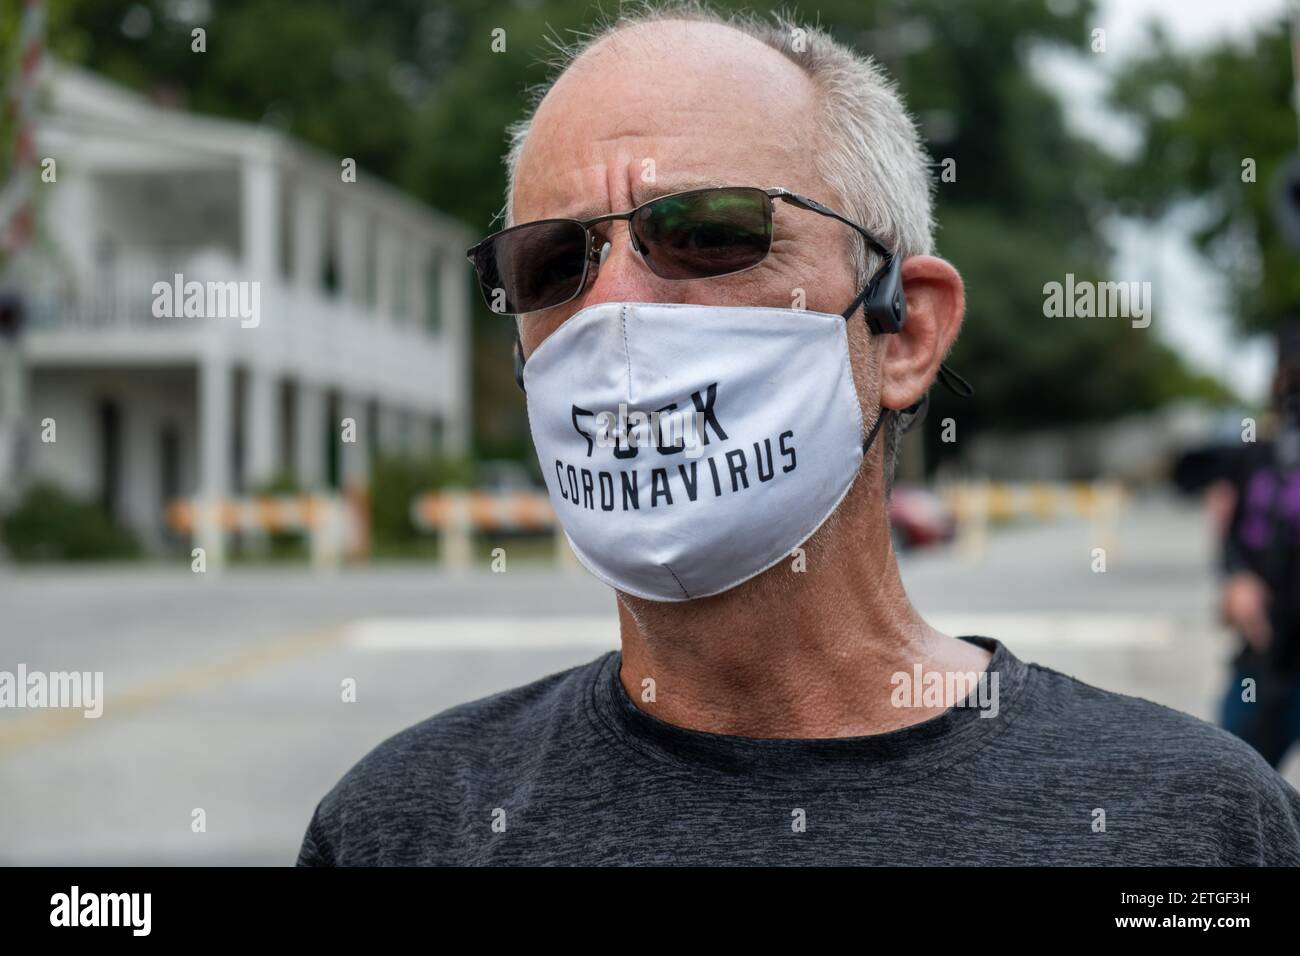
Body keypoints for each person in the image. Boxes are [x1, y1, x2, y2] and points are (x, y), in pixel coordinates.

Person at [298, 2, 1300, 866]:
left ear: (903, 330)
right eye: (551, 261)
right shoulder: (400, 828)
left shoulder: (1192, 827)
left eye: (707, 232)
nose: (613, 312)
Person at [1219, 320, 1300, 768]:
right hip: (1263, 657)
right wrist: (1235, 582)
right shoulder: (1255, 455)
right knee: (1228, 779)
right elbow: (1231, 540)